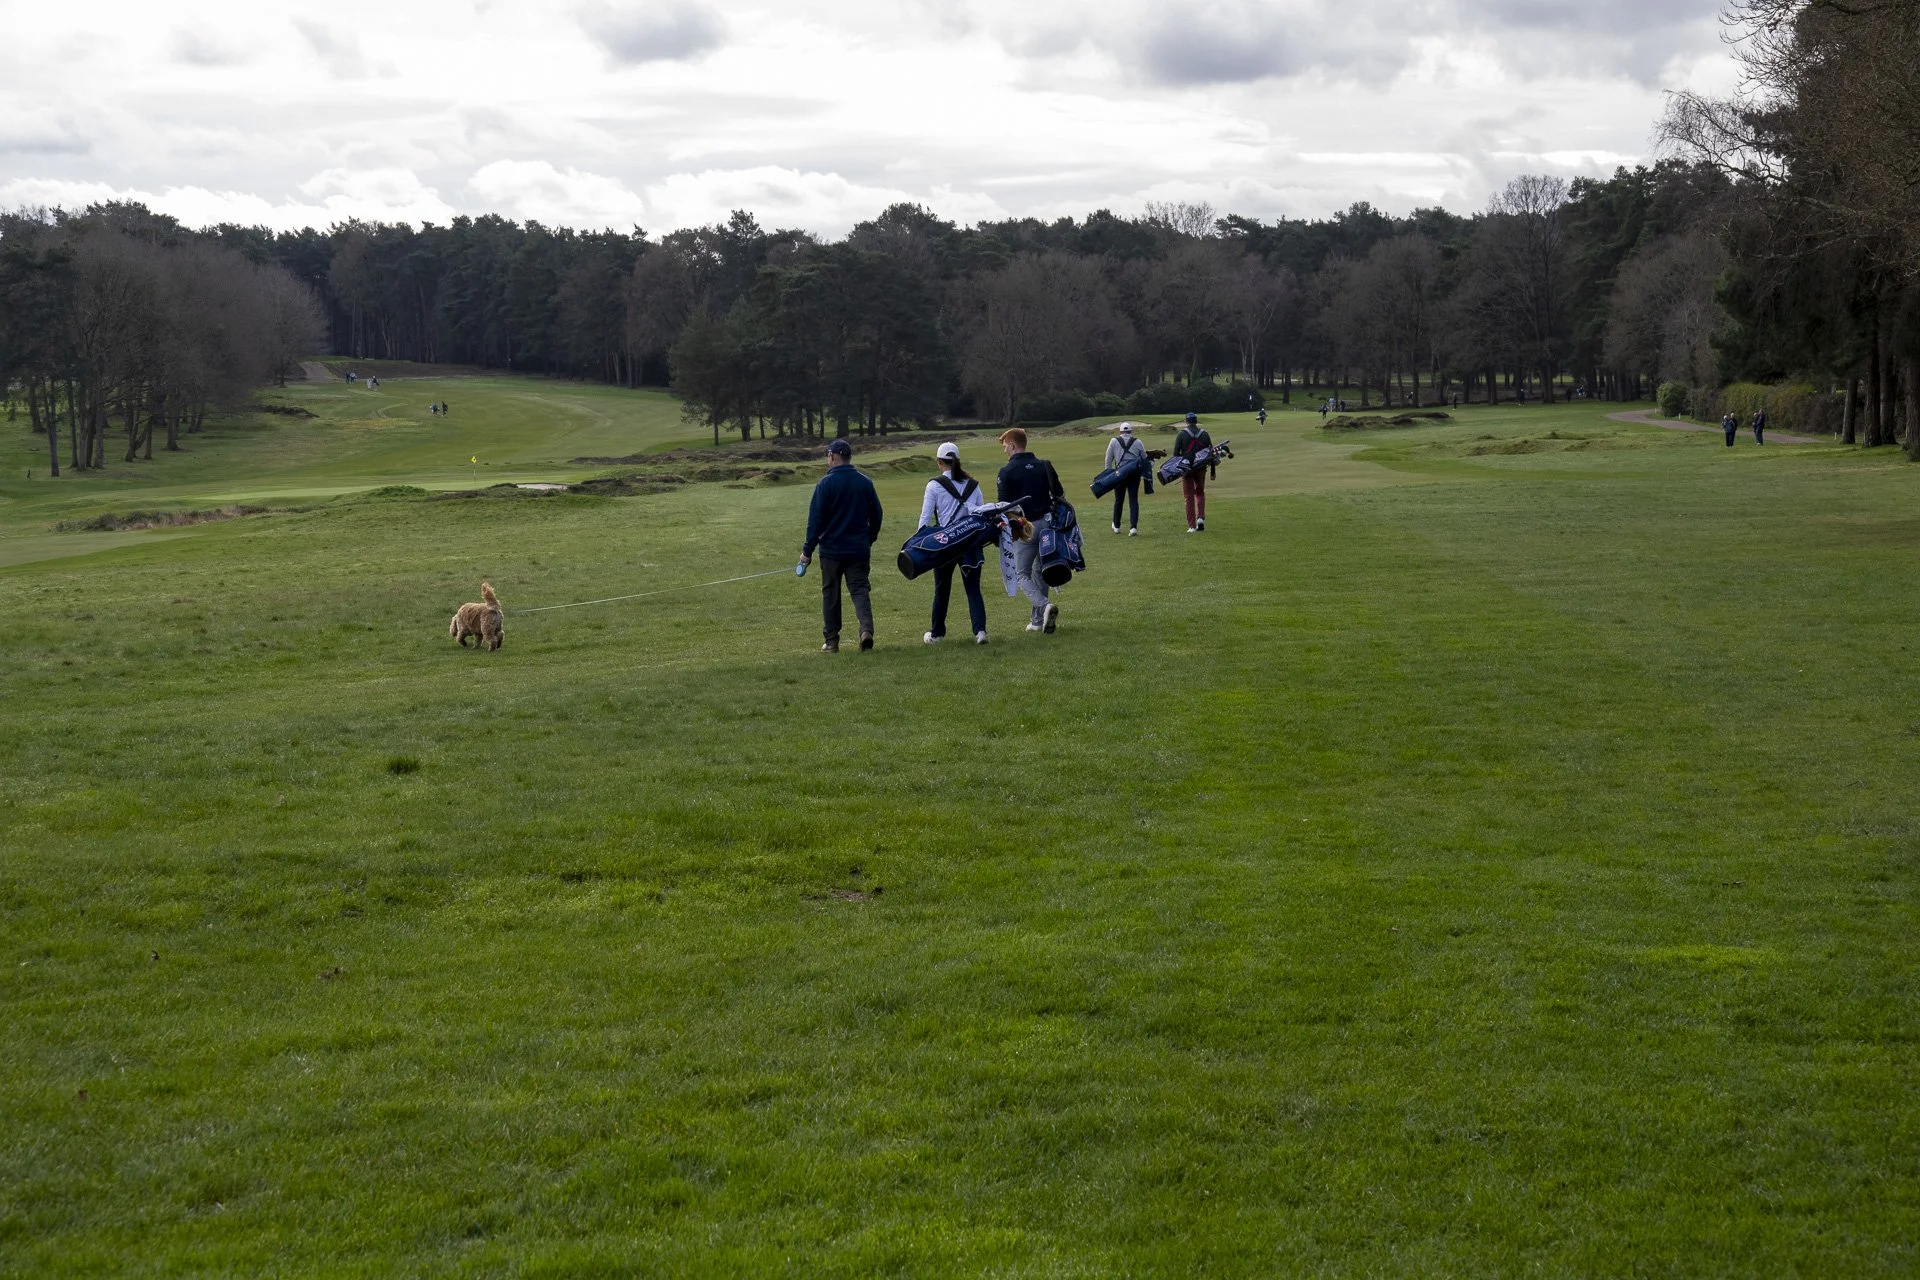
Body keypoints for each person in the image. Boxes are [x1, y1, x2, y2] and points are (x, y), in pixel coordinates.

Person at [801, 438, 884, 652]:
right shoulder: (864, 482)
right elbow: (877, 515)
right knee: (859, 590)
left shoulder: (825, 484)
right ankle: (866, 629)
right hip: (858, 548)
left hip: (831, 551)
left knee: (831, 594)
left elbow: (815, 522)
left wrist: (807, 552)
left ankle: (831, 641)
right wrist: (869, 538)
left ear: (832, 456)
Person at [920, 442, 989, 645]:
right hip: (970, 543)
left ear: (939, 462)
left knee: (942, 589)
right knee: (973, 589)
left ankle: (937, 634)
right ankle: (980, 631)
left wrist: (920, 544)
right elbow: (980, 514)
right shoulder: (973, 485)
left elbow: (924, 520)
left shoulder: (933, 485)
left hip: (945, 543)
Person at [996, 427, 1064, 634]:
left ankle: (1044, 606)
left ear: (1013, 445)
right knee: (1039, 571)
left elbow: (1004, 506)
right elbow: (1059, 492)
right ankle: (1036, 621)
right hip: (1048, 525)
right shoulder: (1044, 465)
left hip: (1025, 528)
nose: (1004, 449)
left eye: (1005, 445)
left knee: (1021, 574)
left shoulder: (1006, 472)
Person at [1104, 422, 1148, 536]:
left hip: (1119, 474)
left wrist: (1109, 474)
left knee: (1119, 500)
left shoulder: (1114, 441)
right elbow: (1144, 458)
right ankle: (1133, 528)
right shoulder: (1138, 442)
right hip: (1134, 474)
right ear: (1130, 431)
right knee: (1133, 500)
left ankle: (1117, 526)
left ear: (1120, 431)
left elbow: (1108, 460)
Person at [1173, 411, 1213, 533]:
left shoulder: (1181, 434)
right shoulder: (1205, 434)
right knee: (1200, 493)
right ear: (1196, 421)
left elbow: (1176, 454)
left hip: (1187, 469)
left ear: (1186, 421)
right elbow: (1211, 453)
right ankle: (1200, 517)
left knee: (1188, 496)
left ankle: (1191, 526)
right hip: (1201, 468)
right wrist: (1213, 471)